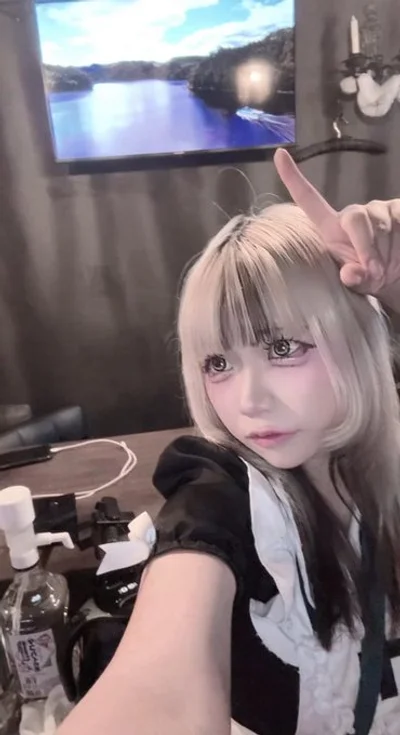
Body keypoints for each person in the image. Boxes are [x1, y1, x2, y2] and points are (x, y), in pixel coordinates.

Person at [58, 150, 400, 735]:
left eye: (283, 348)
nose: (248, 400)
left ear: (354, 337)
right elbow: (158, 685)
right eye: (218, 362)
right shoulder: (222, 494)